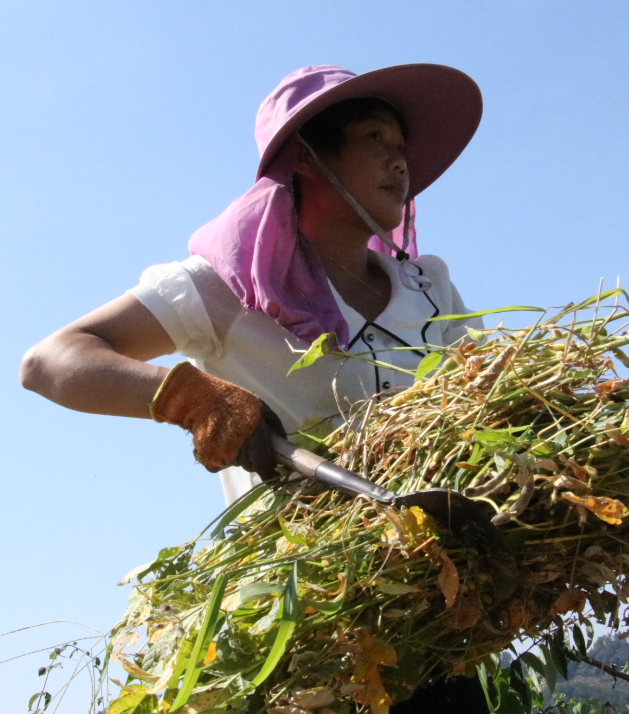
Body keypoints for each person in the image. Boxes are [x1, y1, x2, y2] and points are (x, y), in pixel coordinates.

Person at [20, 64, 491, 713]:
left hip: (435, 619)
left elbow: (486, 406)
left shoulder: (428, 290)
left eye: (401, 145)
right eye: (374, 138)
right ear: (308, 157)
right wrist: (193, 401)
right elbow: (50, 361)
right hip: (311, 625)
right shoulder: (227, 289)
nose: (399, 161)